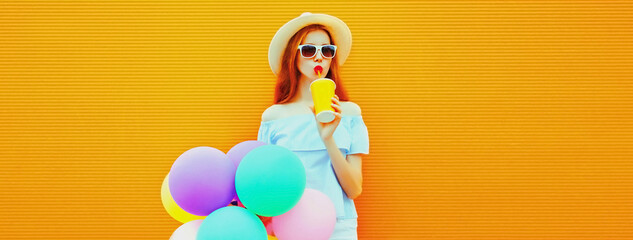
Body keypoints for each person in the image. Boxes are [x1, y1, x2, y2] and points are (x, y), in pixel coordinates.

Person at [258, 12, 369, 240]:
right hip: (289, 225)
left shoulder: (349, 114)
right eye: (309, 50)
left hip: (339, 226)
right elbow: (265, 186)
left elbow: (354, 189)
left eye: (326, 51)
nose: (318, 58)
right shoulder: (274, 117)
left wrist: (328, 139)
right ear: (293, 56)